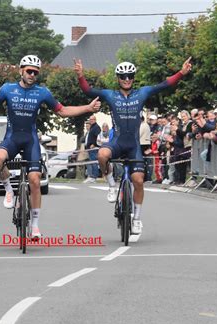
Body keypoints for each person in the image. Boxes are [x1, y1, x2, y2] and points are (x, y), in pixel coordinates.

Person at [0, 55, 100, 239]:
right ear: (21, 70)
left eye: (35, 72)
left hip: (30, 140)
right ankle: (8, 190)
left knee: (35, 180)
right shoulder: (7, 89)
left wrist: (87, 108)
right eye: (29, 71)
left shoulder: (42, 92)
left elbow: (62, 111)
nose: (32, 74)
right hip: (12, 138)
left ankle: (35, 225)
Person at [74, 57, 192, 234]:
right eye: (123, 76)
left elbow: (164, 84)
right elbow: (88, 90)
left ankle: (136, 218)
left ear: (134, 77)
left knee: (138, 181)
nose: (127, 79)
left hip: (134, 145)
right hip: (118, 141)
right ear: (118, 78)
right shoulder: (110, 95)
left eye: (130, 75)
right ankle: (111, 183)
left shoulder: (142, 93)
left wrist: (181, 73)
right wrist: (80, 75)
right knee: (101, 155)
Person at [84, 114, 101, 183]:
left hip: (93, 148)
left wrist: (94, 144)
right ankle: (92, 176)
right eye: (90, 119)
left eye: (92, 120)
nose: (90, 121)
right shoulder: (92, 127)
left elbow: (98, 137)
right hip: (89, 148)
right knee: (91, 162)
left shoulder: (96, 127)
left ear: (95, 120)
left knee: (94, 162)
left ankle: (94, 176)